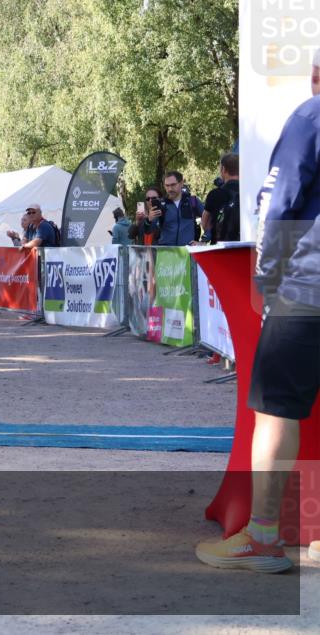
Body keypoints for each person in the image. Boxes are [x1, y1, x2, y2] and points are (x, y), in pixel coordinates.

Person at [195, 85, 320, 574]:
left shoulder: (311, 114)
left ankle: (264, 538)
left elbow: (279, 201)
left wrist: (266, 281)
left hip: (308, 286)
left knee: (273, 411)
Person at [147, 171, 204, 246]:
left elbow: (209, 220)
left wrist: (204, 241)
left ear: (181, 183)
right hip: (165, 252)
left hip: (187, 252)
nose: (170, 189)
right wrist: (149, 220)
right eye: (167, 185)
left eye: (173, 185)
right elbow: (148, 232)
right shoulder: (161, 204)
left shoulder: (192, 201)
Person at [203, 153, 240, 244]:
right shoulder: (248, 192)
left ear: (223, 169)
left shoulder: (214, 194)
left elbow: (205, 224)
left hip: (220, 247)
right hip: (244, 248)